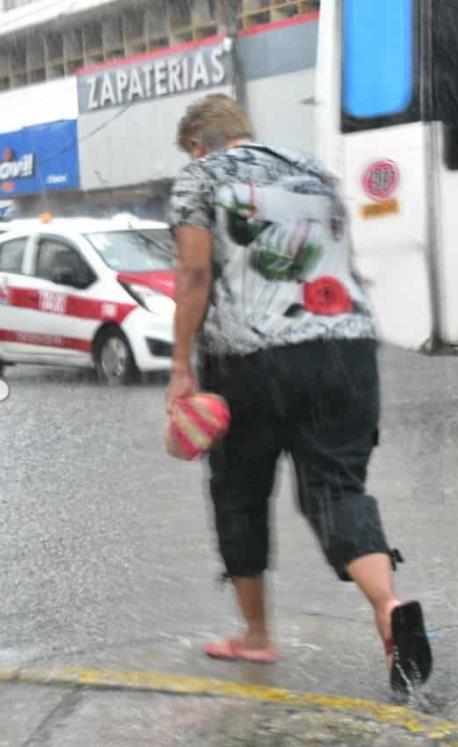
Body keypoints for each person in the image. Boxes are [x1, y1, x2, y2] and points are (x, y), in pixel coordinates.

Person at [166, 94, 432, 693]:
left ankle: (256, 636)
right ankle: (389, 607)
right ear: (245, 132)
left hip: (250, 356)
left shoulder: (200, 178)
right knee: (338, 487)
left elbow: (195, 274)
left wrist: (181, 365)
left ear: (195, 144)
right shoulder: (316, 172)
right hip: (348, 347)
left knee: (238, 491)